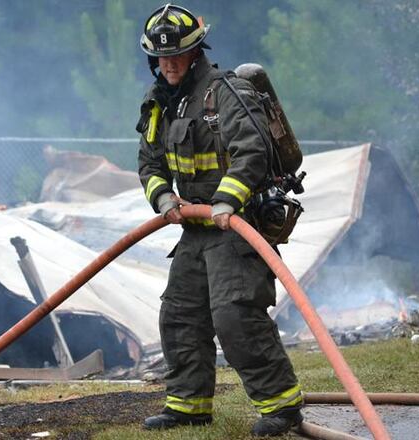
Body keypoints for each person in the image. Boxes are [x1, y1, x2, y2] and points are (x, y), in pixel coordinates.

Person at [135, 4, 303, 436]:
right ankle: (188, 406)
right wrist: (163, 199)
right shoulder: (159, 103)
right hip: (194, 227)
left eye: (177, 55)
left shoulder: (224, 91)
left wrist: (228, 200)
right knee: (179, 314)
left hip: (236, 222)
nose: (169, 64)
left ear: (195, 51)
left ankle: (281, 406)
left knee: (235, 314)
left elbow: (253, 149)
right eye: (161, 57)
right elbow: (149, 162)